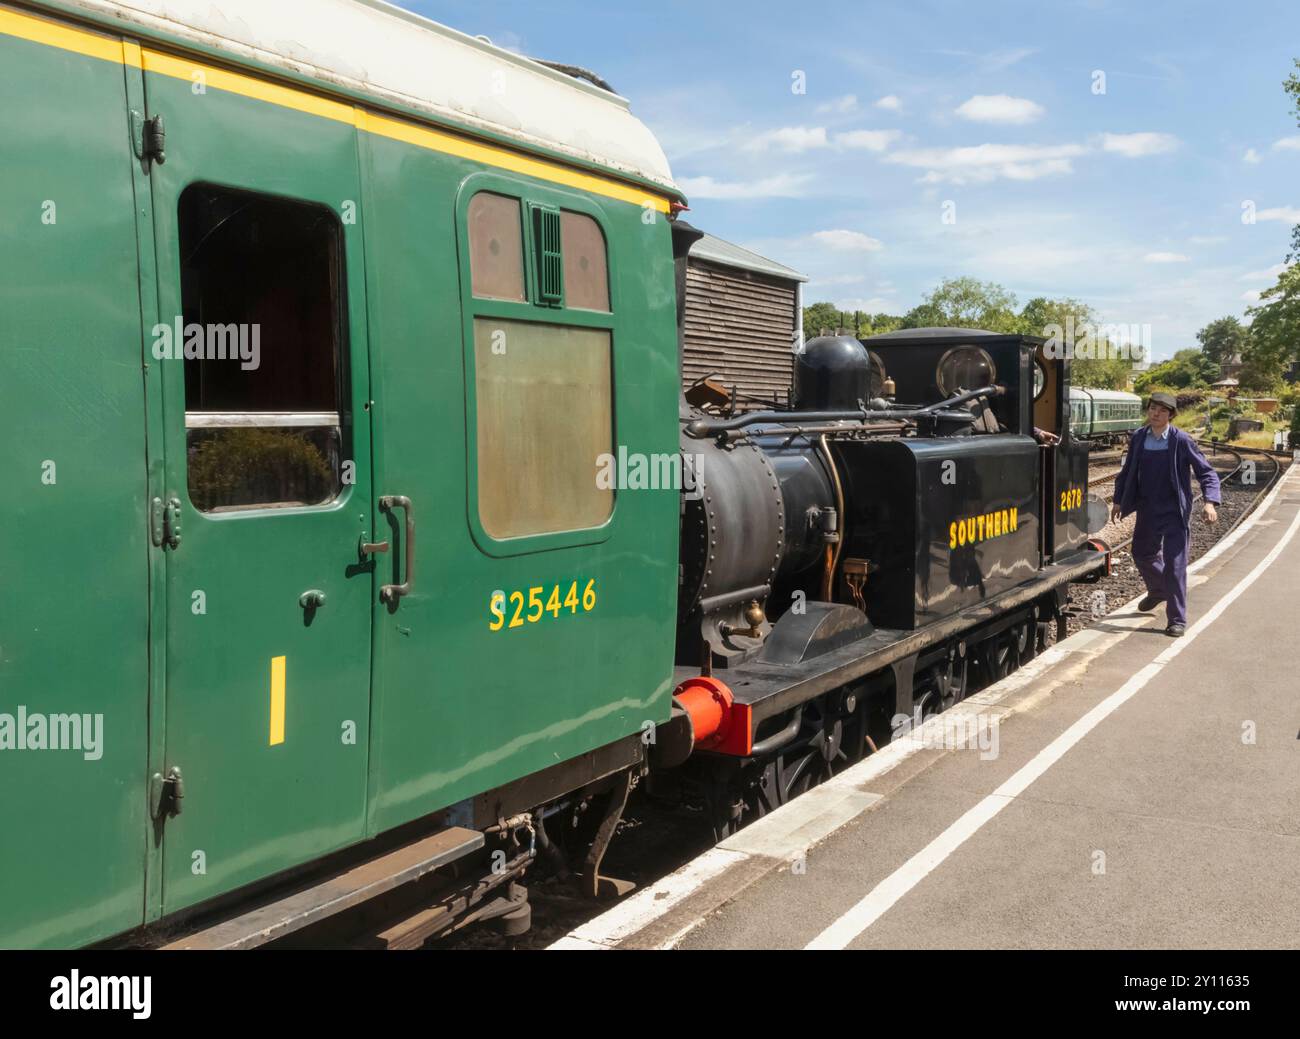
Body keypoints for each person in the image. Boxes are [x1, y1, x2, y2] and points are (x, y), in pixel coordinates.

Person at [1110, 392, 1220, 637]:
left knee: (1175, 565)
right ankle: (1159, 589)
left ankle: (1177, 619)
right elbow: (1127, 471)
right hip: (1147, 507)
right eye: (1152, 409)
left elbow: (1207, 472)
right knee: (1141, 553)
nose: (1155, 414)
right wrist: (1118, 500)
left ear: (1170, 414)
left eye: (1161, 410)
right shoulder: (1139, 437)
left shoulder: (1182, 440)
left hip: (1174, 510)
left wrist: (1210, 502)